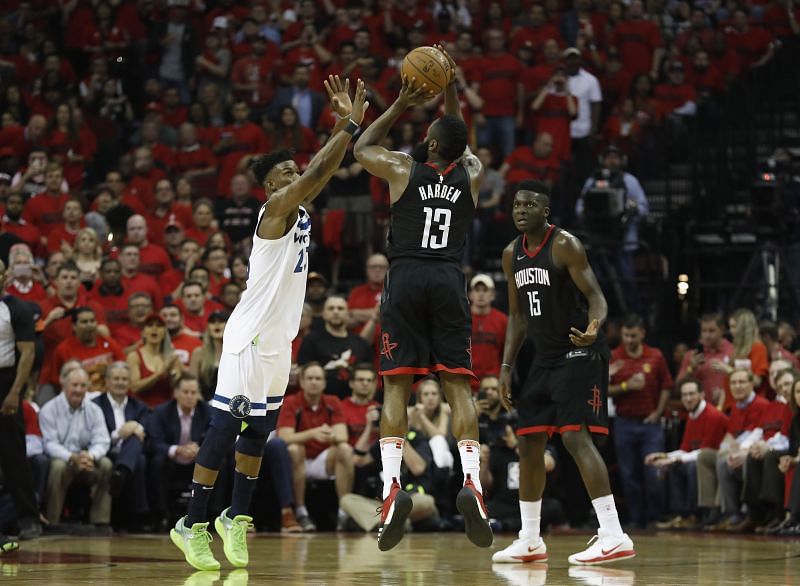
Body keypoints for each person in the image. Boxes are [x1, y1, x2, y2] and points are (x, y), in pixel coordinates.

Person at [170, 75, 368, 571]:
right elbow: (317, 170)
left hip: (279, 342)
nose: (296, 176)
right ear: (270, 186)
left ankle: (234, 519)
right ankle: (190, 523)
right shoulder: (273, 212)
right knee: (222, 431)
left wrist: (351, 130)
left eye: (294, 171)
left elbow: (320, 174)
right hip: (248, 337)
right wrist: (347, 125)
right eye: (286, 173)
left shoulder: (300, 208)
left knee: (258, 434)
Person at [353, 45, 493, 551]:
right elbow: (461, 137)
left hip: (407, 277)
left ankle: (391, 487)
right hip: (450, 280)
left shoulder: (399, 168)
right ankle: (472, 481)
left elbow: (361, 148)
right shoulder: (470, 173)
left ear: (429, 141)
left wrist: (398, 104)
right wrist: (450, 86)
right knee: (459, 387)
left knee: (396, 388)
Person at [492, 180, 635, 565]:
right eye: (517, 204)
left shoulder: (565, 245)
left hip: (579, 350)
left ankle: (612, 533)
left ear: (545, 212)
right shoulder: (511, 255)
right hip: (544, 358)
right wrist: (505, 367)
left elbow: (597, 297)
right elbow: (518, 316)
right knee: (528, 441)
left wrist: (595, 326)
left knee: (574, 437)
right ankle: (530, 538)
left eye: (529, 205)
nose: (521, 210)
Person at [608, 314, 673, 528]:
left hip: (649, 424)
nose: (628, 340)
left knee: (654, 472)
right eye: (625, 335)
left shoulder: (655, 356)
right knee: (629, 474)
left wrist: (658, 411)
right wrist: (626, 386)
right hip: (624, 422)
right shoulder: (613, 357)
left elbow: (666, 385)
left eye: (633, 335)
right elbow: (603, 389)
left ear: (642, 334)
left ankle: (656, 517)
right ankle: (636, 519)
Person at [277, 362, 354, 532]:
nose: (314, 382)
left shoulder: (333, 401)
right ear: (302, 382)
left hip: (322, 460)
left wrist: (330, 435)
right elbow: (284, 437)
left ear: (324, 383)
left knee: (344, 449)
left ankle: (344, 511)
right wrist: (313, 433)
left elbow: (342, 436)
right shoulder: (291, 402)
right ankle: (300, 511)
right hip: (299, 461)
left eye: (318, 378)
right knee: (294, 449)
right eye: (310, 378)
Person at [645, 378, 728, 530]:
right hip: (700, 457)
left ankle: (694, 515)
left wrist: (675, 459)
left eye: (692, 394)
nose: (688, 398)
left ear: (702, 395)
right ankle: (681, 515)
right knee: (675, 466)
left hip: (714, 459)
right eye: (684, 395)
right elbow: (686, 449)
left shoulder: (713, 415)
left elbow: (704, 452)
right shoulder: (692, 416)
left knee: (690, 467)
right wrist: (664, 456)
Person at [40, 366, 112, 531]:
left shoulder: (94, 410)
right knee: (57, 466)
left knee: (106, 464)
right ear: (64, 385)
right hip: (63, 460)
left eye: (82, 386)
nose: (78, 390)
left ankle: (100, 521)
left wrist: (91, 456)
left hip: (87, 460)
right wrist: (71, 457)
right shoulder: (49, 409)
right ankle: (53, 521)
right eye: (74, 385)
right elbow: (49, 443)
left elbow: (102, 440)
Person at [0, 259, 42, 540]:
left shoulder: (16, 307)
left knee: (14, 453)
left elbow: (27, 353)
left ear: (6, 276)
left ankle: (29, 516)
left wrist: (15, 392)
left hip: (5, 381)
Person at [92, 362, 150, 524]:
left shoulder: (138, 406)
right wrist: (119, 433)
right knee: (139, 460)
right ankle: (137, 516)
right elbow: (94, 435)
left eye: (124, 379)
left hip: (130, 451)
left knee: (136, 442)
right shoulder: (96, 405)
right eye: (116, 378)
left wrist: (134, 426)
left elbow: (147, 427)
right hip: (106, 449)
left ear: (129, 382)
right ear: (108, 381)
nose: (120, 382)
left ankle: (120, 473)